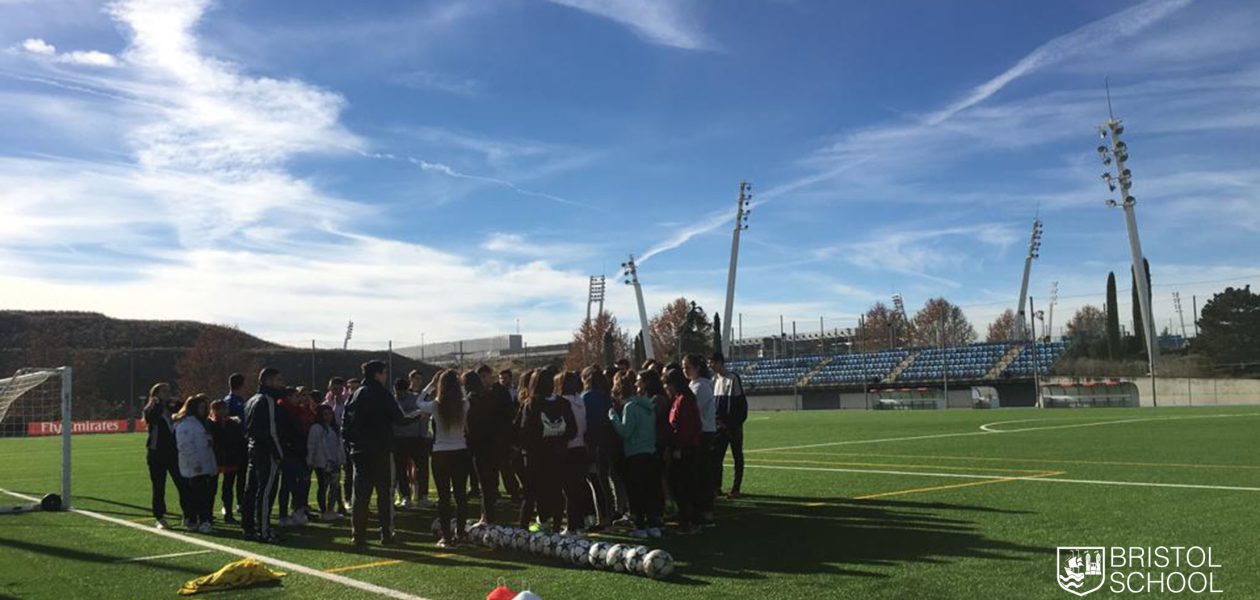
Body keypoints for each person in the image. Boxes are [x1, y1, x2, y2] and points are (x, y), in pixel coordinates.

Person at [342, 361, 420, 546]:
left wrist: (351, 445)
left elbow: (345, 425)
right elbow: (399, 419)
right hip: (381, 450)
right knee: (385, 494)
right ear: (378, 374)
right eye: (384, 373)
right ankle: (386, 534)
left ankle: (358, 535)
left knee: (360, 496)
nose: (386, 377)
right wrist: (418, 414)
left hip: (359, 451)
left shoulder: (355, 394)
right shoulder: (382, 394)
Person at [514, 366, 575, 533]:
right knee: (556, 491)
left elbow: (522, 431)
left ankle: (523, 528)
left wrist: (527, 448)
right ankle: (556, 527)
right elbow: (572, 429)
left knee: (531, 493)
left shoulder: (531, 404)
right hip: (559, 454)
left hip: (536, 457)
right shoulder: (564, 403)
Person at [421, 370, 473, 547]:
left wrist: (431, 385)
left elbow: (418, 402)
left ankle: (447, 537)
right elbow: (466, 397)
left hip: (441, 452)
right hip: (460, 451)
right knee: (460, 495)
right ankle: (461, 534)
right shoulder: (464, 404)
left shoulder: (436, 405)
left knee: (444, 497)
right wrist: (461, 385)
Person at [609, 370, 661, 539]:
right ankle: (653, 525)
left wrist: (613, 418)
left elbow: (626, 431)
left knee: (636, 493)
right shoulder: (646, 405)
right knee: (649, 491)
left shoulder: (630, 407)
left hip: (635, 454)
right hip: (650, 452)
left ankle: (640, 526)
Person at [241, 367, 286, 543]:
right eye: (279, 380)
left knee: (251, 490)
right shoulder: (267, 400)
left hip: (254, 449)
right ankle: (264, 530)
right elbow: (271, 431)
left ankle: (248, 527)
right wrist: (279, 453)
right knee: (265, 492)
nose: (282, 384)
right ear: (268, 381)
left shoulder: (252, 399)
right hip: (266, 451)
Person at [144, 382, 189, 530]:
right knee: (159, 487)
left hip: (172, 452)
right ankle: (159, 517)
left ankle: (188, 515)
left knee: (182, 483)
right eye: (163, 391)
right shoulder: (151, 407)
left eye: (168, 391)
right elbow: (151, 417)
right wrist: (156, 402)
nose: (167, 394)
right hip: (156, 453)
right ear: (156, 394)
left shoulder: (170, 406)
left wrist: (179, 402)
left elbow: (186, 407)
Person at [471, 365, 511, 524]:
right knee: (486, 482)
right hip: (482, 444)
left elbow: (508, 414)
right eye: (481, 377)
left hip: (495, 442)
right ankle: (487, 515)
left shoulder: (500, 392)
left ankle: (488, 514)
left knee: (491, 481)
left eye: (485, 376)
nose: (483, 380)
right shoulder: (474, 395)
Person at [665, 367, 702, 535]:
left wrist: (679, 447)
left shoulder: (685, 400)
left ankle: (690, 522)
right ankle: (687, 519)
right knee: (679, 485)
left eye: (668, 384)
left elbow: (686, 427)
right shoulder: (679, 399)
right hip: (682, 447)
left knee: (683, 486)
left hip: (685, 449)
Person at [174, 394, 217, 533]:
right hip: (193, 467)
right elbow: (185, 446)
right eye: (201, 407)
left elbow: (207, 445)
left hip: (204, 465)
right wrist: (195, 463)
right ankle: (199, 520)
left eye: (205, 407)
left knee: (203, 495)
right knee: (197, 495)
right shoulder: (185, 424)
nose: (204, 410)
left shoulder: (202, 423)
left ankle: (198, 520)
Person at [581, 366, 617, 530]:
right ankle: (609, 514)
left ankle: (602, 517)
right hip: (606, 441)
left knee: (596, 482)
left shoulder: (586, 397)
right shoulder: (606, 397)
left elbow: (584, 422)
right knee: (604, 480)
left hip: (592, 443)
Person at [683, 354, 717, 527]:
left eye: (687, 366)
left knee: (702, 473)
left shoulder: (701, 386)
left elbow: (693, 408)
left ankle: (706, 512)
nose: (685, 370)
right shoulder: (694, 385)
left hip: (703, 433)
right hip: (701, 432)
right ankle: (701, 510)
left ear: (697, 367)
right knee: (699, 473)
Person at [710, 352, 749, 498]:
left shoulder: (733, 378)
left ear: (720, 362)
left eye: (712, 362)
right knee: (716, 458)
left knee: (737, 456)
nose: (710, 365)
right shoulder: (714, 380)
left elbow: (740, 403)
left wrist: (735, 424)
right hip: (719, 426)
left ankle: (736, 488)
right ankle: (716, 487)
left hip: (733, 426)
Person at [557, 370, 590, 534]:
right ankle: (580, 523)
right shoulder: (581, 401)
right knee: (578, 488)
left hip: (568, 448)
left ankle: (571, 526)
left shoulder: (562, 403)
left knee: (569, 490)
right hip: (581, 447)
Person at [276, 388, 312, 527]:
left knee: (289, 483)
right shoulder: (283, 411)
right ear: (288, 397)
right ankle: (289, 513)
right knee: (295, 481)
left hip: (297, 451)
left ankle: (292, 512)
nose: (299, 399)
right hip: (289, 452)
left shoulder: (296, 411)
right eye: (296, 396)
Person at [208, 398, 246, 524]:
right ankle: (208, 513)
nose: (224, 411)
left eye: (225, 408)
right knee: (211, 487)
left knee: (228, 487)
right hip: (215, 458)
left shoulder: (233, 423)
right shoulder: (210, 424)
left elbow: (238, 439)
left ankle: (228, 513)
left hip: (230, 458)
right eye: (220, 409)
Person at [307, 404, 345, 521]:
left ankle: (330, 509)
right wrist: (310, 460)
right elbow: (311, 445)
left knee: (335, 487)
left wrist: (342, 459)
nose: (328, 416)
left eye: (330, 414)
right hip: (322, 462)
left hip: (334, 462)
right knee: (323, 487)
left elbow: (340, 446)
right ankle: (323, 511)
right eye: (325, 414)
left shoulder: (335, 428)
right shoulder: (316, 428)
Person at [392, 377, 425, 509]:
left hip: (415, 438)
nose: (400, 395)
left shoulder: (416, 399)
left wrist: (422, 435)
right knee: (401, 469)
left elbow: (423, 418)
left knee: (421, 469)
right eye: (398, 392)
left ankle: (423, 496)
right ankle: (405, 496)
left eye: (402, 392)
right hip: (398, 439)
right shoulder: (393, 401)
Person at [407, 369, 436, 508]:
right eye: (415, 378)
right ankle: (410, 493)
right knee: (408, 467)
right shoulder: (406, 395)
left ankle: (422, 495)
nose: (418, 381)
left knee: (423, 467)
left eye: (420, 378)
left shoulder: (426, 397)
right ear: (410, 379)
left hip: (423, 435)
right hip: (408, 435)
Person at [323, 377, 353, 511]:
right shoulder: (326, 405)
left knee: (349, 472)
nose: (337, 392)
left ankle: (348, 499)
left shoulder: (349, 402)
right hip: (332, 443)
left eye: (340, 389)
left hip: (347, 441)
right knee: (333, 475)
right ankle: (335, 503)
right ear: (329, 389)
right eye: (334, 389)